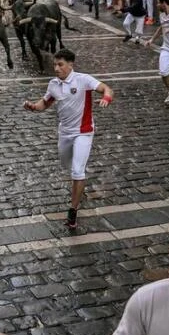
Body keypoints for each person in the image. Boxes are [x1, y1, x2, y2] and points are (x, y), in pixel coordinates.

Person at [23, 48, 113, 229]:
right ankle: (78, 185)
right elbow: (45, 103)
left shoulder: (83, 80)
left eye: (60, 64)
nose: (56, 68)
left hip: (83, 132)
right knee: (66, 164)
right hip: (64, 133)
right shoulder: (53, 84)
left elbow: (106, 88)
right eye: (54, 65)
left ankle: (73, 210)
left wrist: (106, 98)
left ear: (71, 65)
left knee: (77, 171)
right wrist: (33, 107)